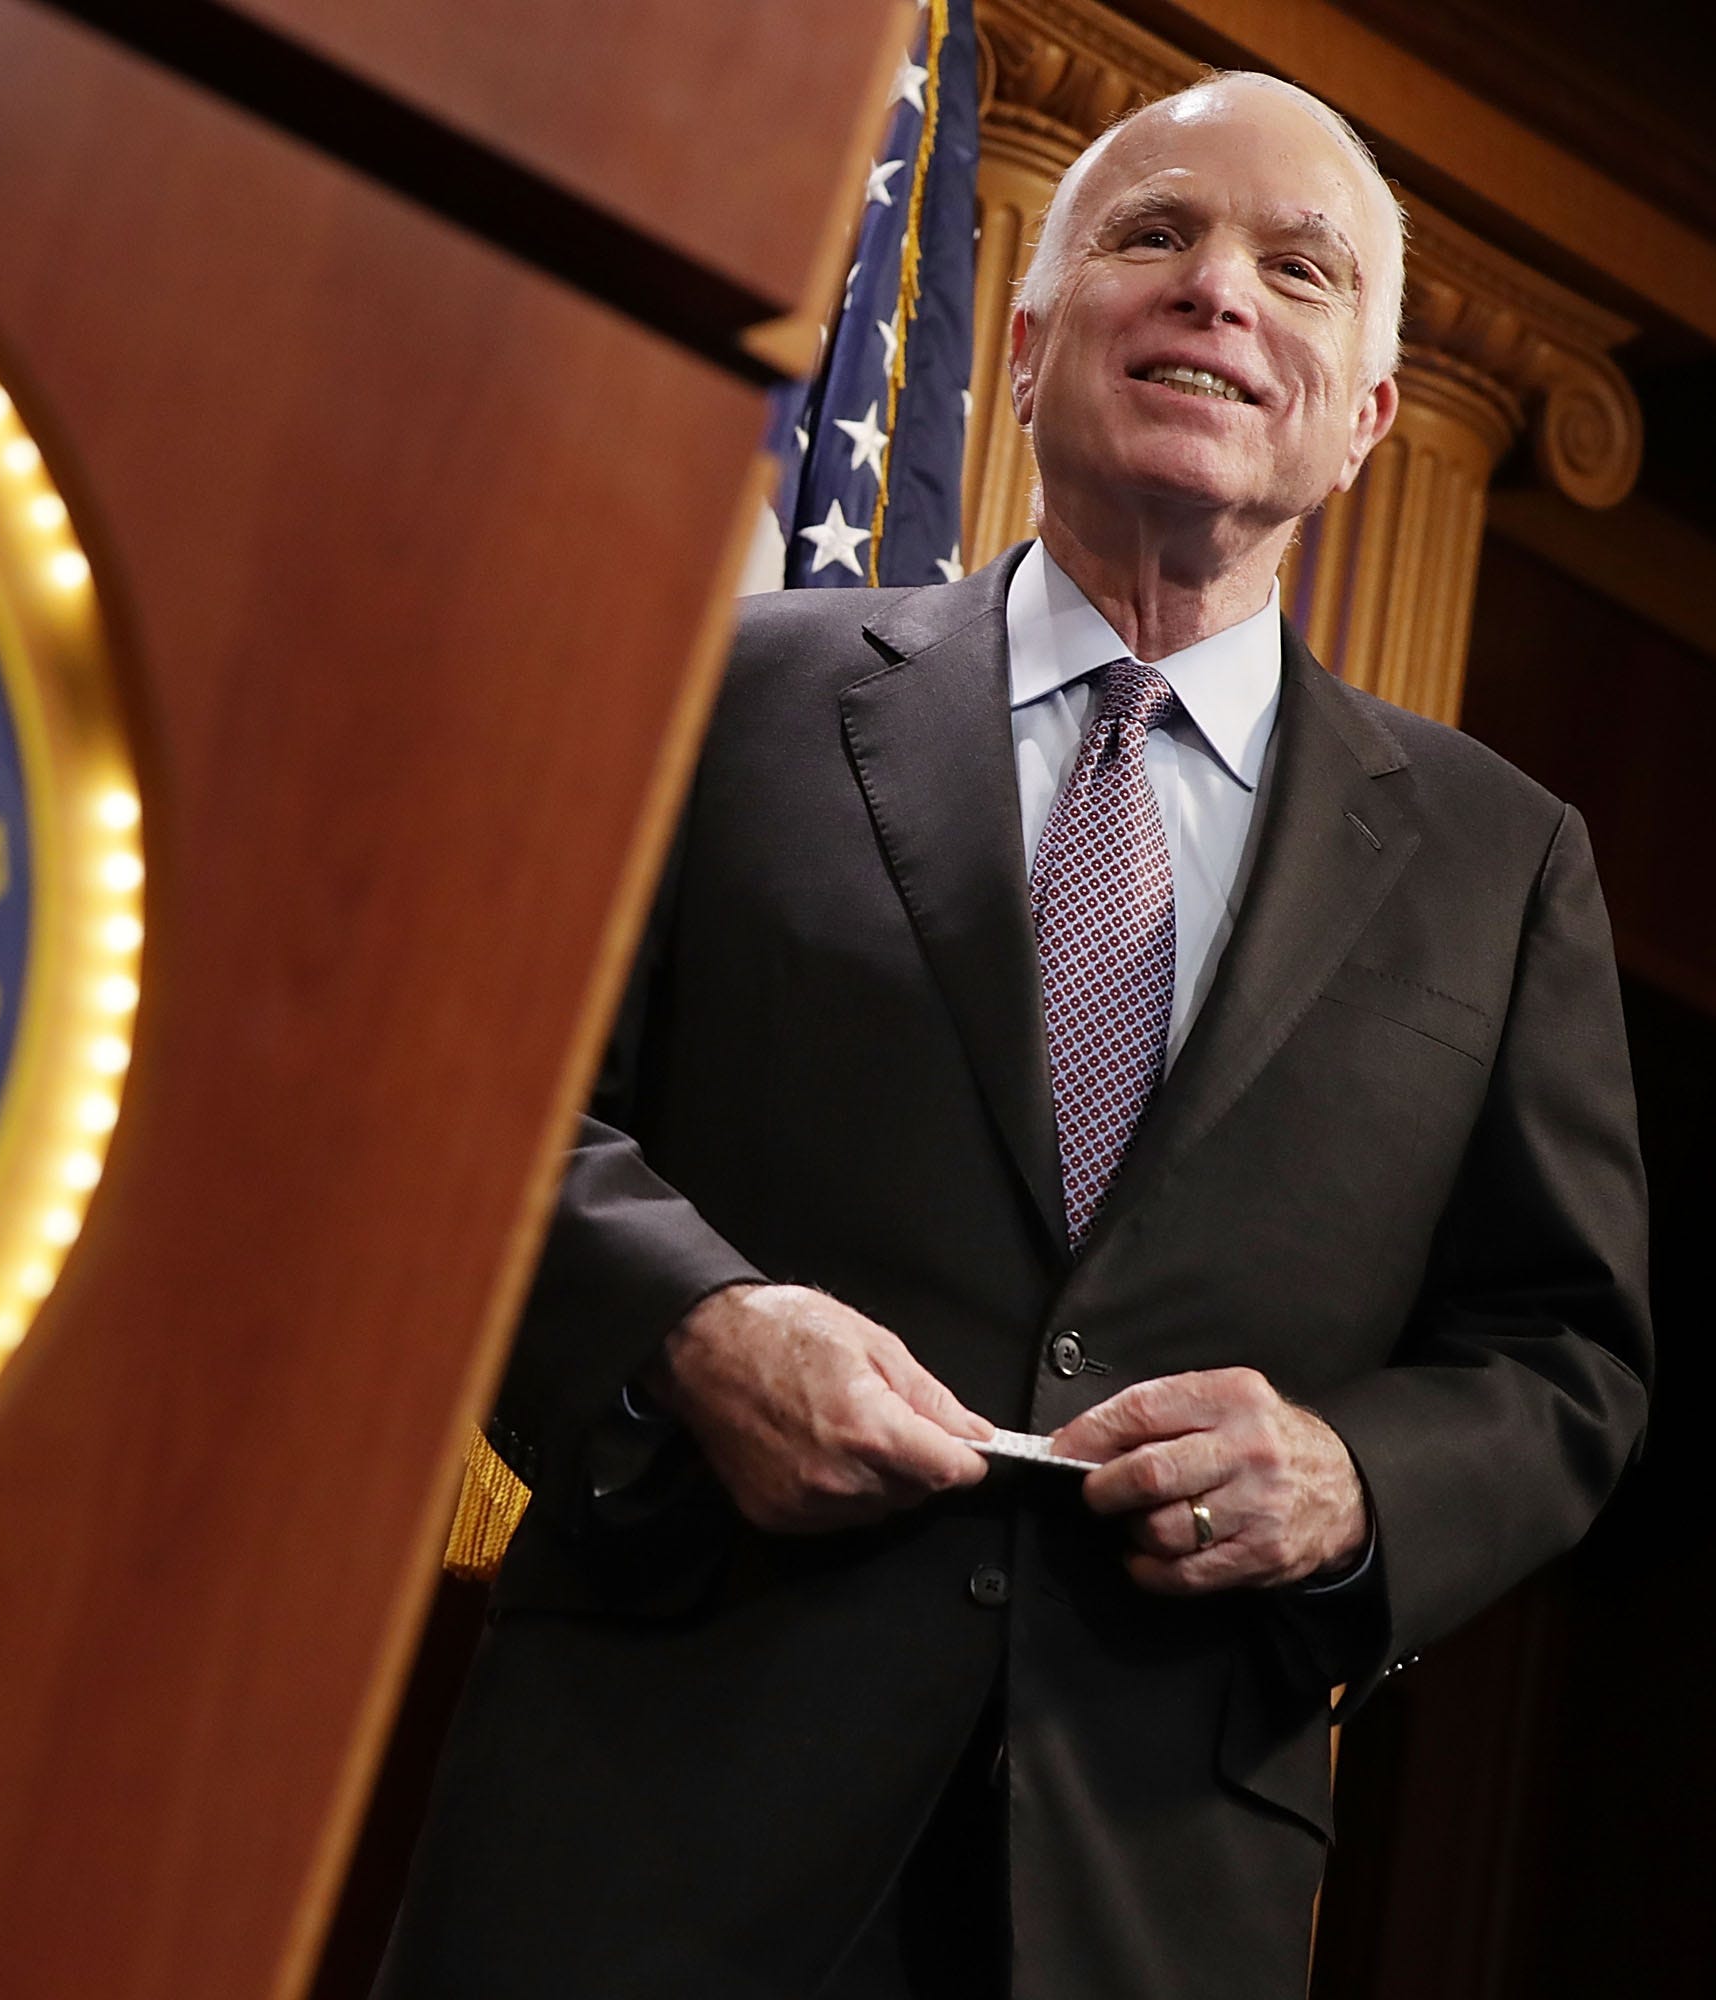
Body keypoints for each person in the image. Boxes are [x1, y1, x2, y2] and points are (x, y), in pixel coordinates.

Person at [377, 71, 1650, 2000]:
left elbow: (1564, 1357)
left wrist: (1352, 1479)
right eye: (1157, 233)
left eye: (1298, 269)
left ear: (1368, 420)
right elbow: (481, 1101)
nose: (1219, 289)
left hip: (1141, 1893)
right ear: (1033, 347)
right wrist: (697, 1327)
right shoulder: (726, 691)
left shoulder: (1505, 860)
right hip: (646, 1831)